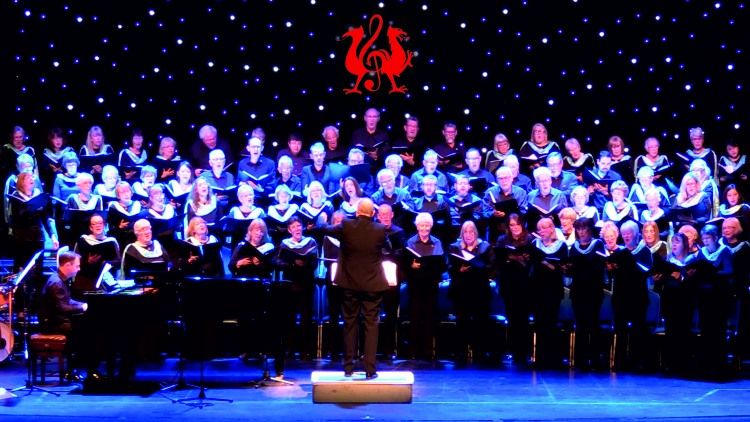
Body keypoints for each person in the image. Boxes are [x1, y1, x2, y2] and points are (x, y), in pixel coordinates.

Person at [315, 198, 390, 377]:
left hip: (349, 284)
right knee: (371, 325)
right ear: (372, 213)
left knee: (350, 324)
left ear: (357, 212)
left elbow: (323, 228)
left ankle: (348, 368)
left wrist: (322, 217)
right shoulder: (380, 230)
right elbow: (387, 249)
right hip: (372, 284)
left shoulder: (346, 226)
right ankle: (370, 370)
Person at [273, 217, 318, 374]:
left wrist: (305, 264)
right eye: (294, 226)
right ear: (290, 230)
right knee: (289, 318)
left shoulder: (311, 242)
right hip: (290, 284)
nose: (297, 228)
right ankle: (290, 350)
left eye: (299, 225)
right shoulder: (285, 244)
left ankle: (306, 351)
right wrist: (292, 264)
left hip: (306, 283)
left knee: (307, 318)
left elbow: (315, 263)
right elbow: (276, 262)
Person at [38, 250, 89, 380]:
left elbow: (67, 301)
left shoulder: (59, 279)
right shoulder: (56, 282)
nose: (79, 269)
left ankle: (74, 368)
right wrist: (82, 307)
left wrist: (83, 304)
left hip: (56, 320)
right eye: (77, 266)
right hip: (53, 324)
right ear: (67, 265)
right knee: (86, 332)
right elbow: (63, 307)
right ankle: (73, 369)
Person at [448, 221, 493, 362]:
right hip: (461, 290)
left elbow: (491, 266)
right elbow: (449, 266)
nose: (468, 235)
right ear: (462, 234)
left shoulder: (485, 247)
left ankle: (480, 351)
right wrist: (458, 270)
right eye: (465, 232)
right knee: (462, 321)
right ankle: (460, 352)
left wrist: (479, 267)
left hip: (480, 289)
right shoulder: (454, 247)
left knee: (481, 321)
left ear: (476, 233)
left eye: (471, 232)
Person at [403, 212, 446, 361]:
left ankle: (428, 351)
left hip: (431, 286)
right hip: (415, 286)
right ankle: (413, 351)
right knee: (415, 318)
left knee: (429, 318)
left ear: (431, 226)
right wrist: (411, 265)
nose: (424, 228)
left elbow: (441, 264)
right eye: (422, 225)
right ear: (417, 226)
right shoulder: (410, 242)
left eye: (427, 225)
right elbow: (405, 264)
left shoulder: (437, 242)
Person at [568, 218, 607, 369]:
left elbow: (600, 266)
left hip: (593, 290)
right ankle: (581, 359)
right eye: (579, 229)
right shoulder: (574, 248)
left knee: (593, 323)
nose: (582, 232)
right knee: (581, 324)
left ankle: (596, 358)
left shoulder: (598, 244)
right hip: (578, 290)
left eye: (584, 229)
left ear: (589, 230)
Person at [495, 213, 533, 365]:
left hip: (526, 285)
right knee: (512, 318)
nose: (515, 228)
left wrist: (522, 259)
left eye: (517, 225)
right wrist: (509, 258)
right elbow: (497, 261)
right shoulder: (502, 240)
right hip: (509, 284)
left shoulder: (530, 240)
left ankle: (523, 353)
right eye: (511, 225)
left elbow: (533, 262)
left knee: (523, 319)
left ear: (522, 225)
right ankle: (514, 351)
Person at [529, 217, 567, 368]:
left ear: (552, 229)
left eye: (544, 228)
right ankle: (539, 357)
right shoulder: (534, 245)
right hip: (537, 289)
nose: (541, 231)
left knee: (551, 322)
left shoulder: (561, 246)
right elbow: (532, 265)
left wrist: (544, 262)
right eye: (539, 229)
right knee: (539, 322)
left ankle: (553, 358)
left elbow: (561, 268)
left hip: (553, 289)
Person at [8, 172, 58, 270]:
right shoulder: (15, 197)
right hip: (21, 239)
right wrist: (28, 209)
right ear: (21, 182)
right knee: (21, 267)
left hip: (37, 237)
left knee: (37, 267)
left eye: (32, 177)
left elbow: (45, 218)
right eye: (28, 178)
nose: (32, 180)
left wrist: (52, 236)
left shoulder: (38, 195)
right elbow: (15, 219)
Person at [72, 213, 121, 299]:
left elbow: (118, 262)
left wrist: (106, 263)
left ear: (104, 225)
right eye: (94, 224)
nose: (98, 226)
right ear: (90, 227)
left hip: (106, 279)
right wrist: (87, 261)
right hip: (86, 278)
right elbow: (75, 260)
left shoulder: (111, 241)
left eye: (100, 223)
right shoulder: (83, 240)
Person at [107, 181, 145, 248]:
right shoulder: (113, 208)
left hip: (137, 237)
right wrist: (119, 227)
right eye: (122, 192)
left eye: (128, 191)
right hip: (121, 238)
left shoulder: (138, 205)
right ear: (118, 195)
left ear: (131, 193)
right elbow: (110, 227)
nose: (126, 194)